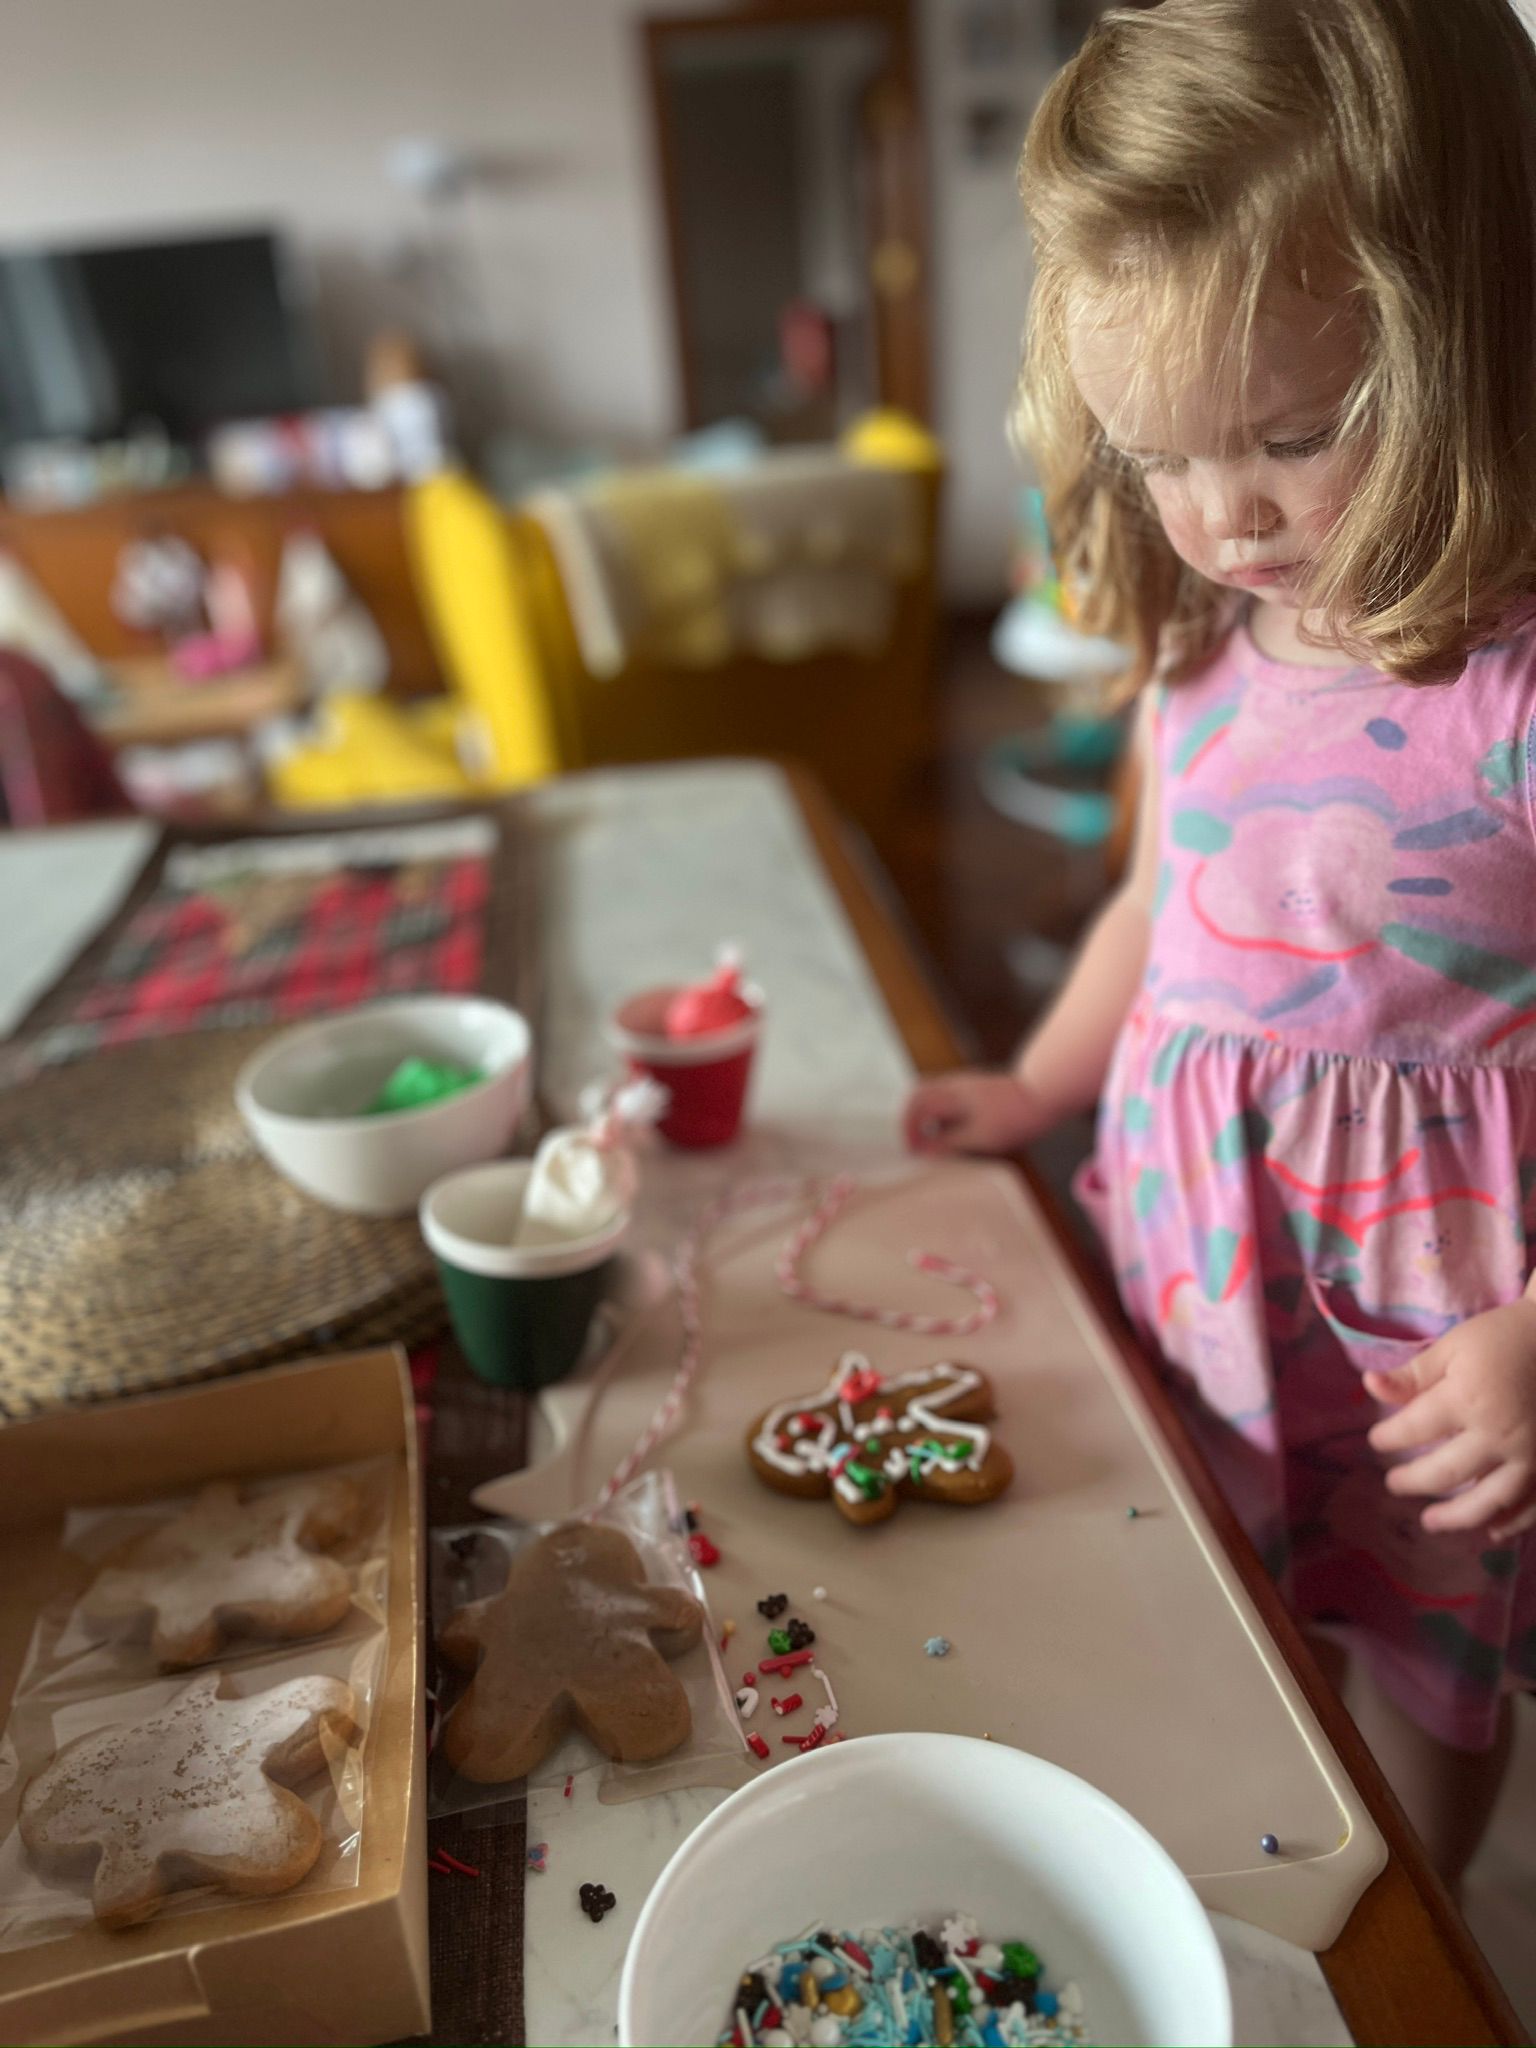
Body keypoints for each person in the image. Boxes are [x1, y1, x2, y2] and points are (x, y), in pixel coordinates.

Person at [905, 0, 1536, 1887]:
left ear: (1479, 329)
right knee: (1226, 1621)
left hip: (1434, 1346)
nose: (1219, 516)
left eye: (1290, 435)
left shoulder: (1504, 693)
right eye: (1156, 456)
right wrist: (1036, 1082)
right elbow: (1154, 920)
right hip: (1203, 1273)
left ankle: (1409, 1938)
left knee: (1419, 1676)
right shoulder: (1199, 638)